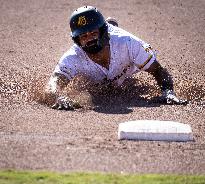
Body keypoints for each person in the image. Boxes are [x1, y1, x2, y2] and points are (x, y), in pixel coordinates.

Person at [44, 6, 188, 110]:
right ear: (76, 40)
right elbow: (52, 85)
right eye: (84, 36)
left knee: (128, 83)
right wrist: (58, 97)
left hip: (124, 66)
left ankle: (111, 26)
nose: (90, 39)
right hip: (97, 81)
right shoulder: (72, 57)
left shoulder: (128, 43)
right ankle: (108, 25)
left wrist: (168, 91)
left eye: (93, 33)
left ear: (103, 32)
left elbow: (157, 70)